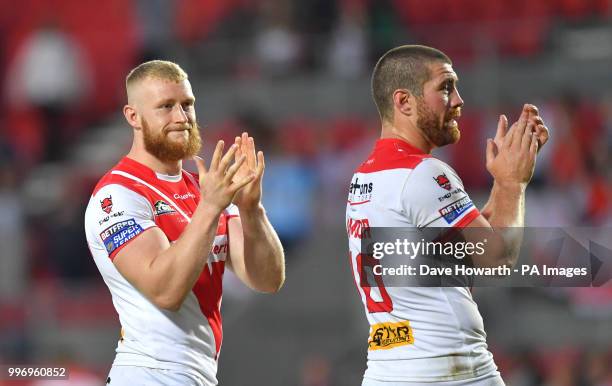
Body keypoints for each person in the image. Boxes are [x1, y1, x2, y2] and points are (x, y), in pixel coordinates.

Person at [346, 45, 549, 385]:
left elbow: (461, 252)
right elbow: (495, 256)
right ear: (404, 102)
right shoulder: (423, 173)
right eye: (445, 87)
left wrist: (502, 182)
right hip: (449, 369)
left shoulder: (364, 177)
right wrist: (512, 182)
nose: (458, 100)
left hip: (388, 370)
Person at [84, 60, 285, 385]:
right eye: (165, 107)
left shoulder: (203, 188)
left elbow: (267, 279)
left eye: (187, 105)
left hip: (195, 375)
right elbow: (165, 291)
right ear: (133, 116)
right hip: (150, 375)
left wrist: (251, 210)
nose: (182, 118)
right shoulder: (118, 195)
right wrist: (210, 208)